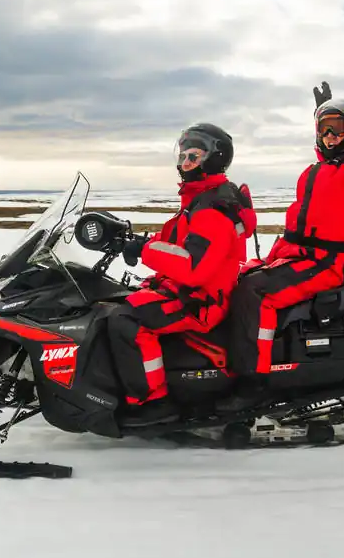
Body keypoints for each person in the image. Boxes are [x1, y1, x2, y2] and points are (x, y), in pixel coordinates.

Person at [223, 26, 344, 404]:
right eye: (324, 130)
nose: (329, 137)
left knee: (254, 294)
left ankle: (252, 383)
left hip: (325, 265)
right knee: (234, 280)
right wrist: (324, 111)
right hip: (296, 258)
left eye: (338, 130)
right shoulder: (323, 171)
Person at [104, 122, 257, 423]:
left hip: (200, 302)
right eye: (182, 156)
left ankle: (153, 402)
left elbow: (193, 266)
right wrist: (139, 244)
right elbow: (177, 245)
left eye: (194, 156)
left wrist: (145, 251)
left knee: (126, 321)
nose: (184, 164)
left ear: (213, 159)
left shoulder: (213, 209)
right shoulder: (199, 199)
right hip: (186, 290)